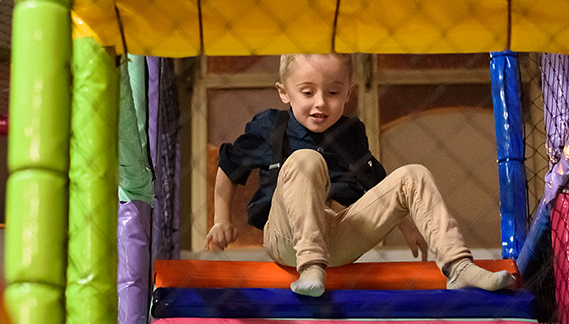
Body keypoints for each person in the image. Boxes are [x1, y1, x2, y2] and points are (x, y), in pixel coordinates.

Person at [206, 52, 517, 297]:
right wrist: (222, 220)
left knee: (414, 173)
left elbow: (378, 186)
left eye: (332, 93)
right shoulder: (271, 126)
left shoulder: (350, 133)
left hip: (338, 238)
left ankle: (458, 265)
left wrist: (408, 225)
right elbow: (229, 166)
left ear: (349, 94)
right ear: (284, 93)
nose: (320, 103)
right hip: (286, 238)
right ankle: (311, 267)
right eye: (307, 92)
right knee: (306, 160)